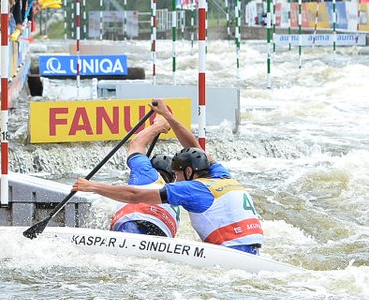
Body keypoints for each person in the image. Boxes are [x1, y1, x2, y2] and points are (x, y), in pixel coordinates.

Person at [73, 100, 264, 254]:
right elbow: (197, 149)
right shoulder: (222, 176)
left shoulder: (188, 188)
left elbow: (134, 196)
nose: (176, 179)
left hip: (229, 251)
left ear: (189, 172)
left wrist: (92, 186)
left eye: (178, 174)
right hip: (253, 250)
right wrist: (167, 116)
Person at [108, 113, 180, 237]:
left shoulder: (147, 174)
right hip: (162, 235)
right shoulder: (177, 197)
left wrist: (158, 126)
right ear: (173, 178)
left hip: (133, 224)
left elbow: (136, 143)